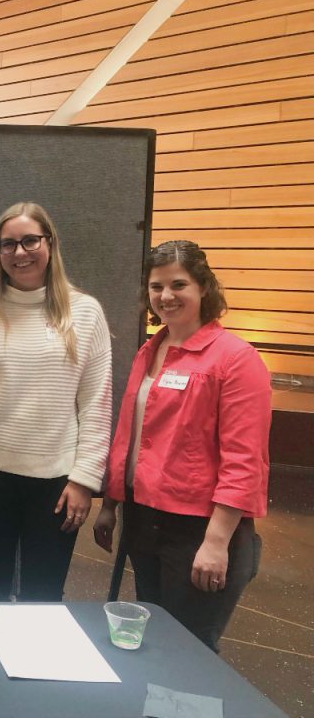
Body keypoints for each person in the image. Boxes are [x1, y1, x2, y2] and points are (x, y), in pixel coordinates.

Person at [93, 240, 270, 652]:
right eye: (157, 287)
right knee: (151, 639)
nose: (166, 297)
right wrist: (111, 504)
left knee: (190, 649)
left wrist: (216, 541)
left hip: (200, 528)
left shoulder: (236, 360)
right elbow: (130, 435)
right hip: (146, 519)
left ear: (203, 288)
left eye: (178, 285)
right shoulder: (151, 350)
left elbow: (245, 460)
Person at [0, 202, 112, 601]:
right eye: (8, 244)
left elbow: (97, 406)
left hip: (57, 484)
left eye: (30, 240)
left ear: (50, 244)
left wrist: (85, 480)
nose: (20, 253)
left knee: (44, 597)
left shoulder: (85, 313)